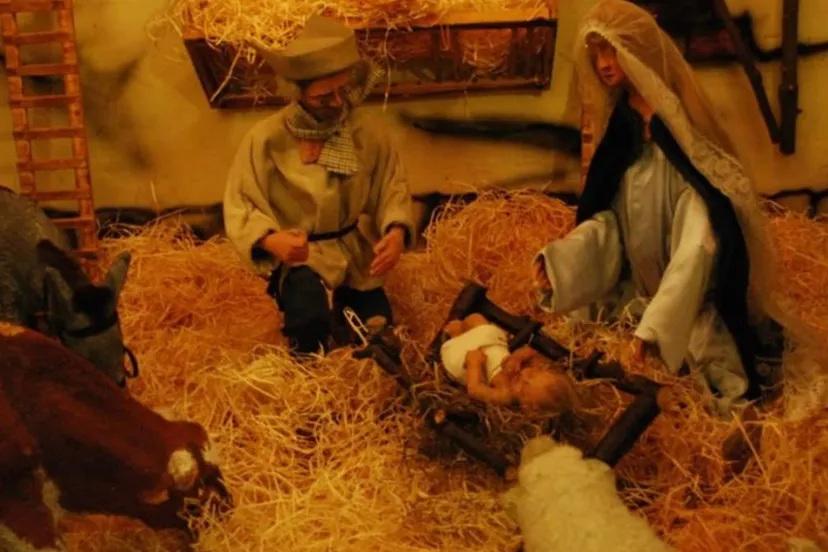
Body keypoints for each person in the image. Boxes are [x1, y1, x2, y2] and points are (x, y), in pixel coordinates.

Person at [532, 0, 806, 416]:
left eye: (612, 51)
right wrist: (561, 262)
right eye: (596, 55)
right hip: (634, 301)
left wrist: (655, 328)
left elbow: (695, 248)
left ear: (636, 50)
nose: (604, 64)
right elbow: (610, 226)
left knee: (707, 389)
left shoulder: (680, 141)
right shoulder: (623, 130)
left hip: (687, 316)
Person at [223, 15, 417, 356]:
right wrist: (272, 239)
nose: (338, 104)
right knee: (308, 326)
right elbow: (241, 201)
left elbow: (391, 184)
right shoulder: (266, 139)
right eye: (324, 98)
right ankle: (310, 336)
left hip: (352, 251)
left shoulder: (365, 133)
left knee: (377, 329)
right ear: (297, 94)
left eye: (344, 91)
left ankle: (347, 313)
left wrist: (396, 230)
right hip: (303, 256)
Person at [440, 313, 577, 412]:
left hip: (467, 358)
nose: (523, 376)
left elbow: (475, 390)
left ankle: (456, 336)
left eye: (523, 388)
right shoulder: (528, 370)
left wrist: (474, 364)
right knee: (475, 318)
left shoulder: (505, 395)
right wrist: (517, 358)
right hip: (493, 344)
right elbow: (531, 352)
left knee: (458, 346)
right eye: (532, 374)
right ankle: (464, 330)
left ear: (527, 406)